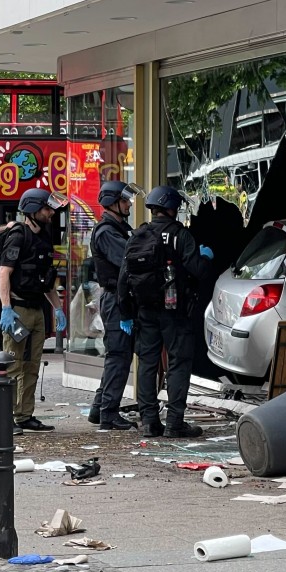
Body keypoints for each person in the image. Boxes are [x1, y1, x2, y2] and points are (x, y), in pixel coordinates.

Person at [119, 185, 214, 439]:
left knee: (148, 363)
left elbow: (123, 277)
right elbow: (198, 271)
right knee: (178, 364)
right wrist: (205, 257)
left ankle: (149, 421)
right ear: (171, 208)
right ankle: (174, 423)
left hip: (144, 311)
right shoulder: (180, 235)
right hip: (175, 311)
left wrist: (125, 312)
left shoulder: (137, 235)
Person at [0, 188, 65, 436]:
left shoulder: (44, 238)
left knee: (32, 366)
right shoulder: (18, 236)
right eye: (47, 209)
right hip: (18, 311)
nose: (50, 213)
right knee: (12, 366)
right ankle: (6, 418)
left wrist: (58, 308)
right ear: (33, 210)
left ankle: (24, 415)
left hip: (37, 310)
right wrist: (6, 308)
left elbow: (46, 281)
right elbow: (4, 273)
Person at [89, 180, 142, 431]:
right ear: (112, 203)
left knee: (117, 356)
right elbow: (128, 260)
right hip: (115, 299)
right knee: (119, 357)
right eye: (124, 200)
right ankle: (109, 414)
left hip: (119, 298)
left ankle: (99, 409)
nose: (129, 203)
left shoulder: (119, 227)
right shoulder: (107, 232)